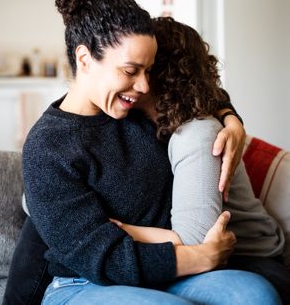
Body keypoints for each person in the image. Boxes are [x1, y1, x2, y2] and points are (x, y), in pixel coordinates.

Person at [3, 0, 280, 305]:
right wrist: (201, 257)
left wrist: (230, 118)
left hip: (162, 272)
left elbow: (192, 86)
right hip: (85, 282)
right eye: (131, 71)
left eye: (149, 70)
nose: (145, 85)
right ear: (84, 59)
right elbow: (100, 257)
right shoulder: (49, 146)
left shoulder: (133, 109)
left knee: (254, 295)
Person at [114, 17, 290, 304]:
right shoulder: (141, 122)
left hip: (248, 259)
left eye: (141, 67)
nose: (131, 78)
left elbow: (199, 243)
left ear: (160, 75)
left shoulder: (196, 133)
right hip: (202, 255)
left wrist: (115, 229)